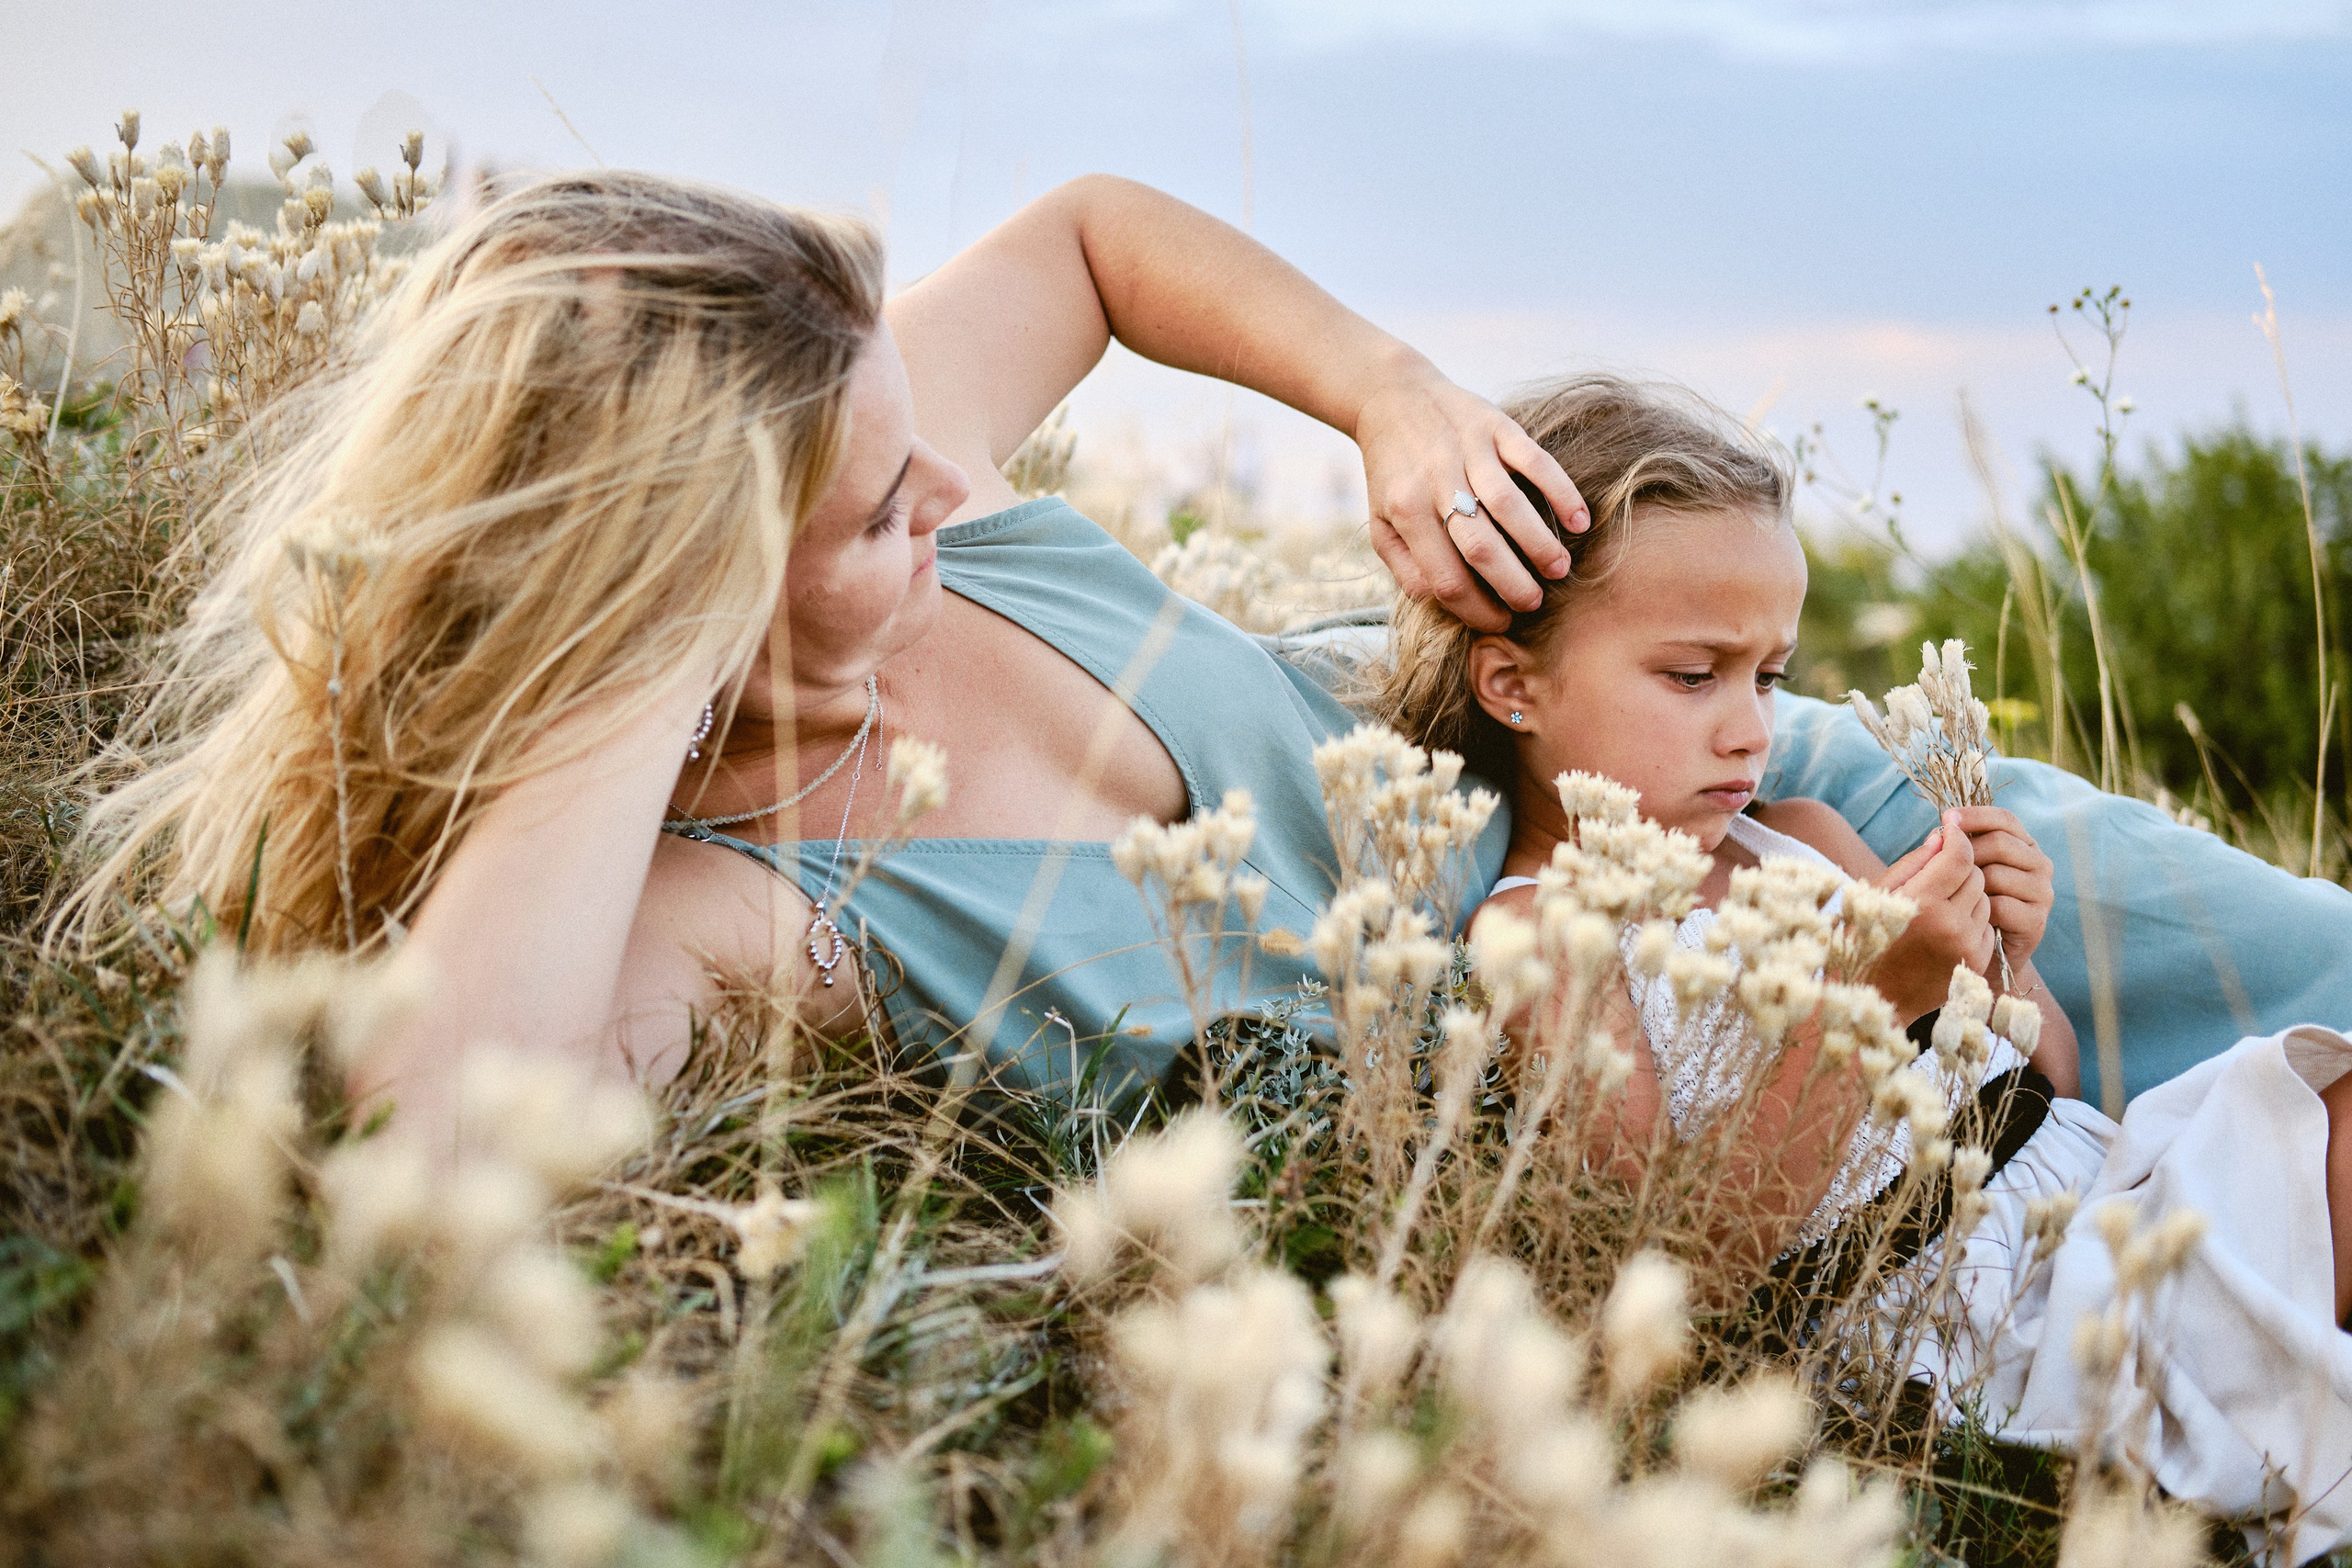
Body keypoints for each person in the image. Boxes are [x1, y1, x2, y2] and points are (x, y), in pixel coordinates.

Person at [74, 170, 1587, 1142]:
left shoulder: (905, 465)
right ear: (688, 610)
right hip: (1603, 1016)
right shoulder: (736, 902)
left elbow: (1091, 236)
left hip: (1616, 749)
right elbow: (451, 1132)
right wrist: (639, 661)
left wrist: (1392, 392)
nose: (945, 486)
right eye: (877, 512)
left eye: (917, 437)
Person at [1381, 370, 2352, 1552]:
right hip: (1984, 1325)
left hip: (2099, 1200)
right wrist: (1858, 1007)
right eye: (1692, 676)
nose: (1748, 726)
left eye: (1769, 676)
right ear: (1513, 685)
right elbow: (1678, 1265)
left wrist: (2007, 956)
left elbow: (2043, 1086)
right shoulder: (1542, 936)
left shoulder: (1798, 838)